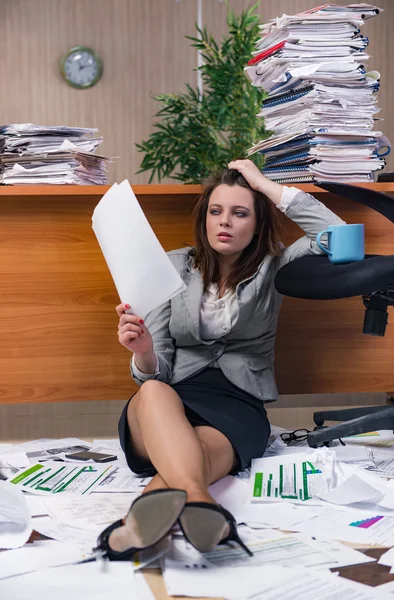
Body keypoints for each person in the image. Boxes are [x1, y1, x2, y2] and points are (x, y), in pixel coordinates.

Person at [98, 159, 345, 559]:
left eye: (239, 212)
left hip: (237, 405)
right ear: (205, 218)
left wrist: (265, 185)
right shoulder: (174, 265)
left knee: (188, 459)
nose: (224, 222)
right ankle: (203, 503)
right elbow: (150, 376)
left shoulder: (275, 266)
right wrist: (143, 352)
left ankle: (139, 526)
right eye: (216, 211)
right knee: (156, 392)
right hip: (169, 398)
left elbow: (338, 235)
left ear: (257, 222)